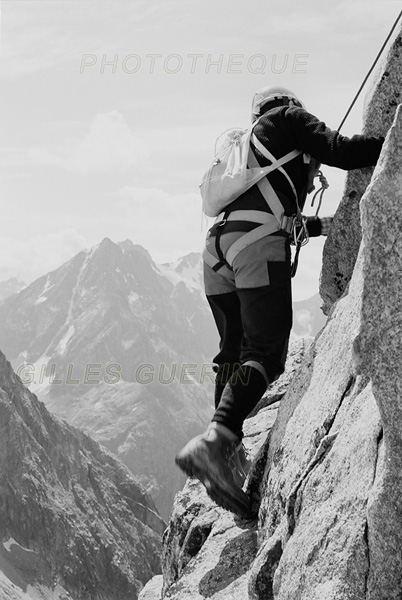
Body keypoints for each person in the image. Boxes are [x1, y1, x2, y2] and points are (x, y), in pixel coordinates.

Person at [175, 85, 384, 517]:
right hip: (254, 242)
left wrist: (329, 226)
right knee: (266, 353)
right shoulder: (289, 120)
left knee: (233, 353)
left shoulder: (245, 151)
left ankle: (226, 458)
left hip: (217, 247)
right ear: (290, 105)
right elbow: (342, 150)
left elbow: (279, 216)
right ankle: (217, 443)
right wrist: (393, 140)